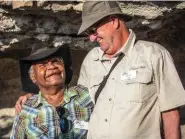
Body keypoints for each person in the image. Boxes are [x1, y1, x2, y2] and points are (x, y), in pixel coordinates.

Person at [15, 1, 185, 139]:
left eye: (93, 30)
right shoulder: (91, 60)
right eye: (89, 32)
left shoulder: (153, 54)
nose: (91, 37)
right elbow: (75, 99)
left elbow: (170, 113)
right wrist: (33, 97)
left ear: (113, 21)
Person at [11, 43, 93, 139]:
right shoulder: (25, 110)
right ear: (33, 77)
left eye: (56, 61)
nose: (51, 66)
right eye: (43, 64)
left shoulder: (87, 95)